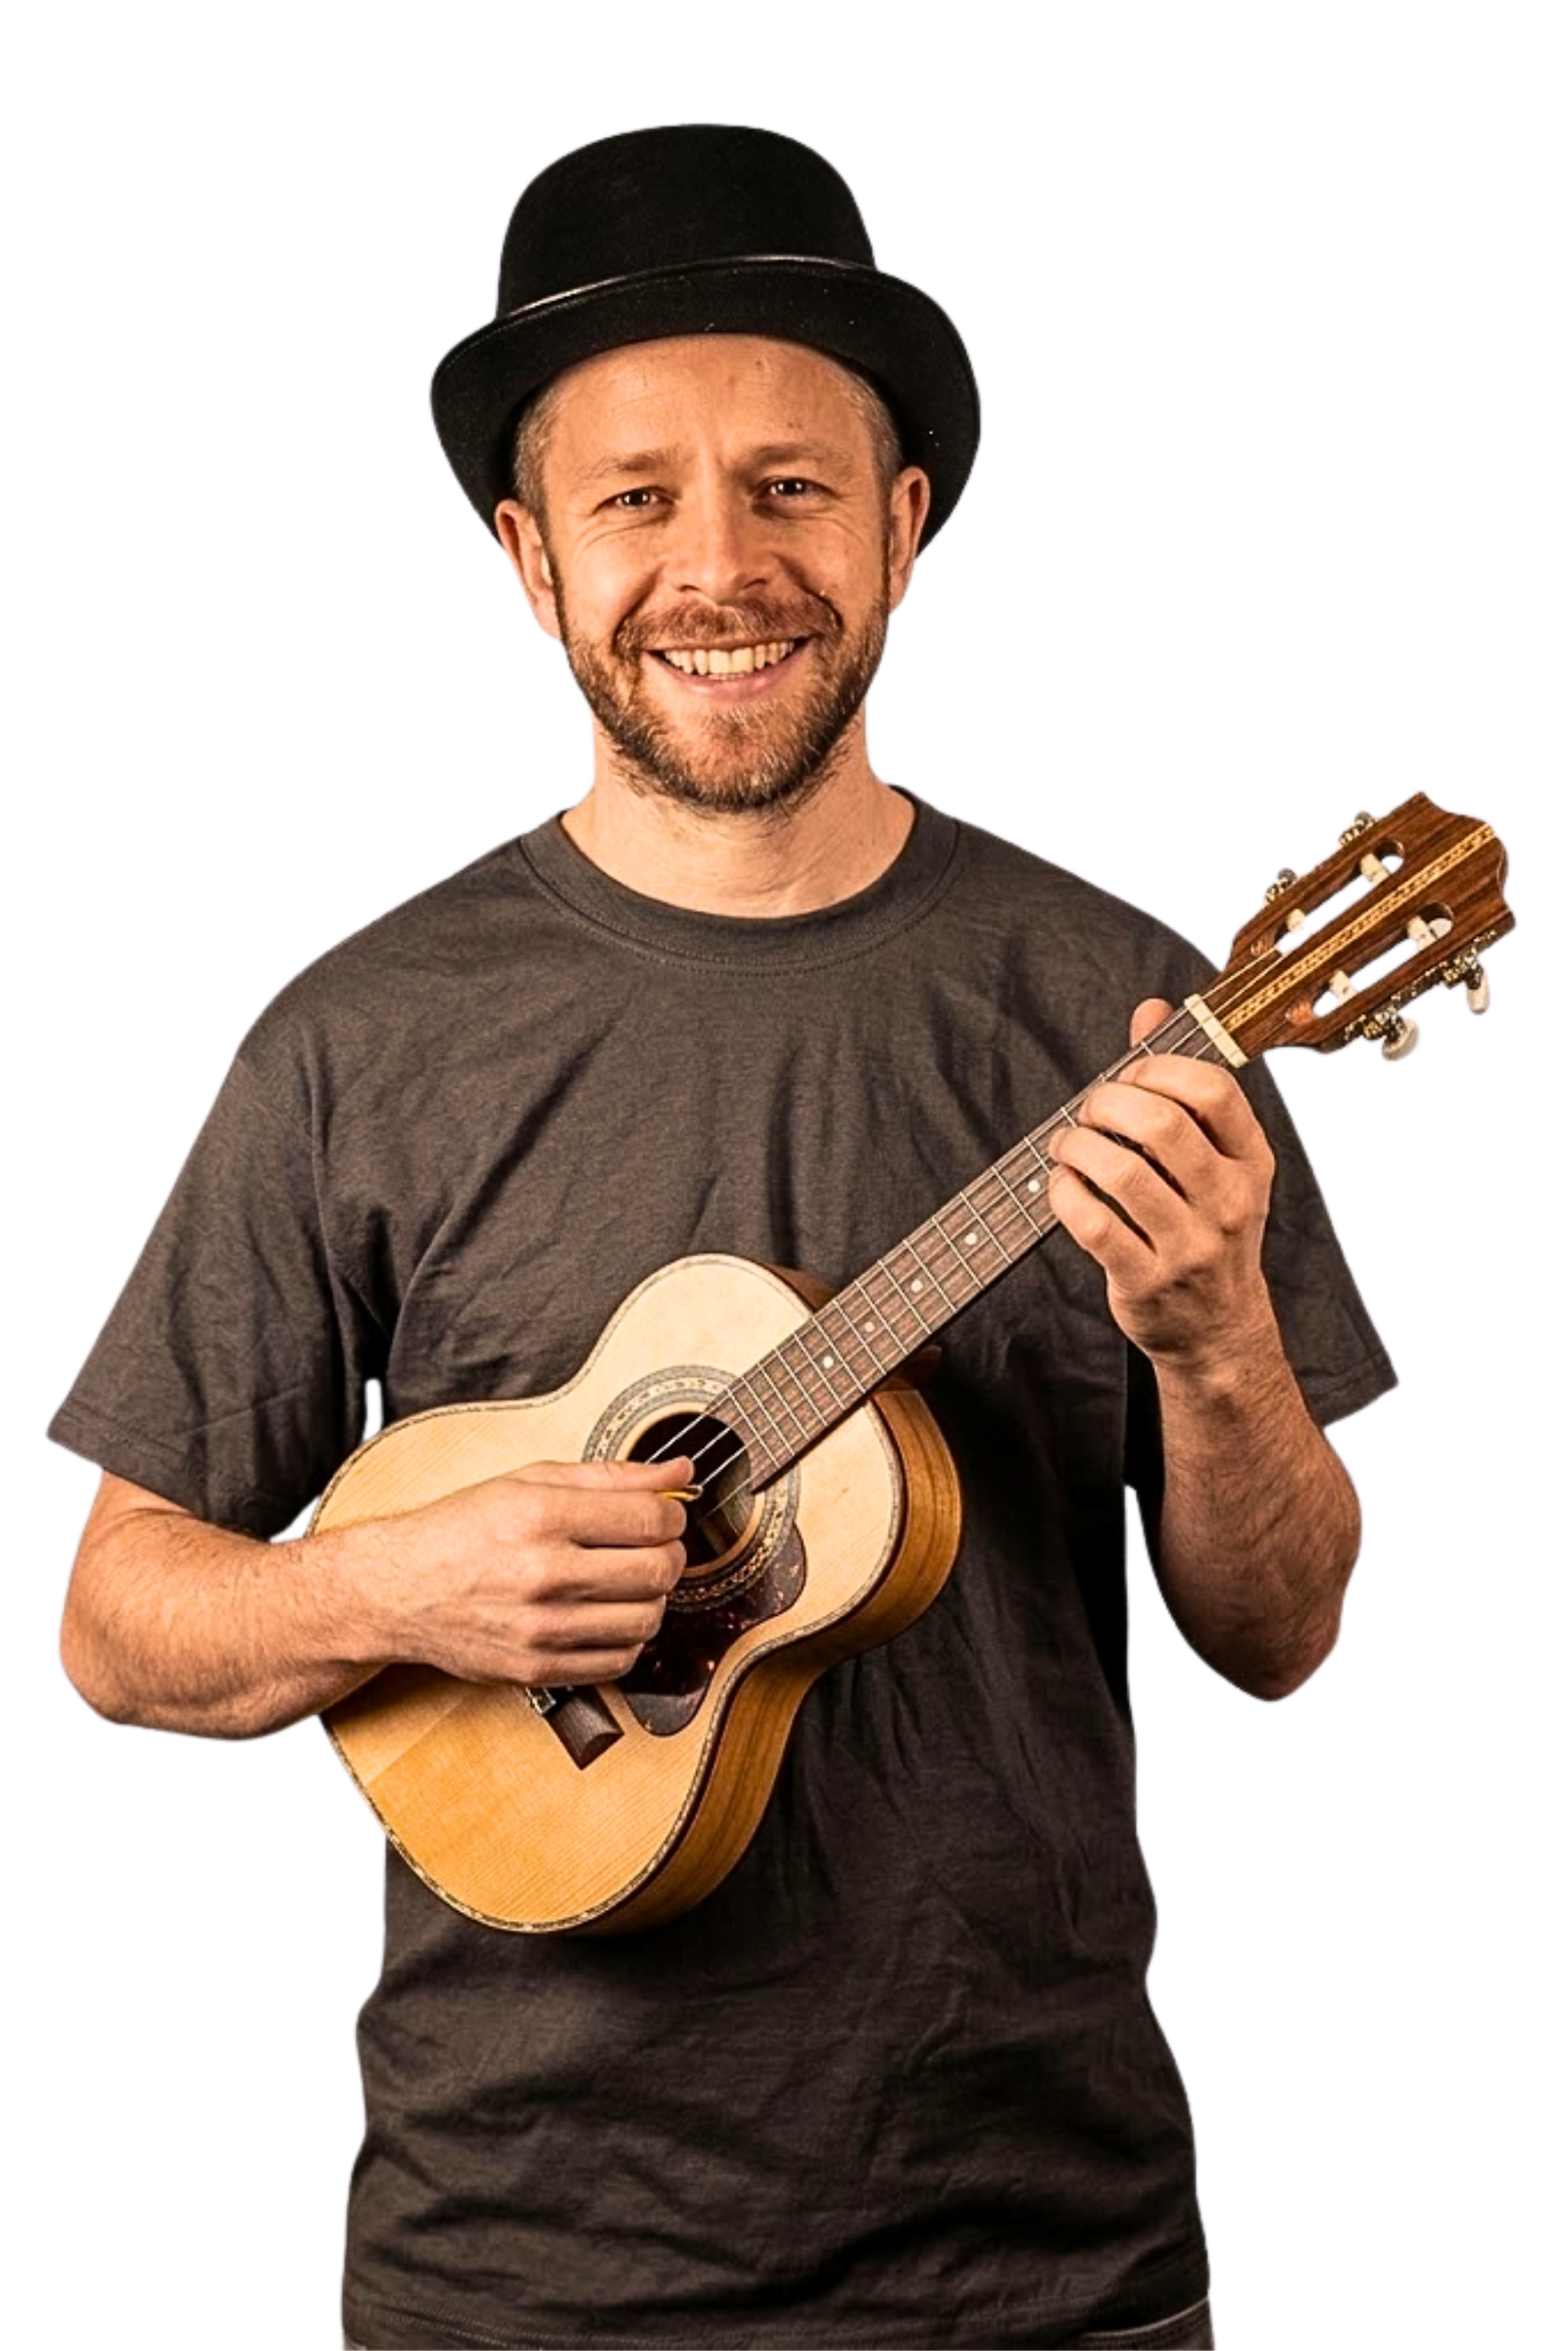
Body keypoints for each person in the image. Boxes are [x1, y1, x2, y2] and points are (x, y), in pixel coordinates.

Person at [49, 125, 1395, 2350]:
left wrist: (1214, 1343)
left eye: (788, 487)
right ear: (531, 561)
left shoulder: (1127, 1006)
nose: (719, 565)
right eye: (635, 498)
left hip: (1046, 2265)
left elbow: (1285, 1637)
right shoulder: (358, 1038)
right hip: (514, 2271)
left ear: (899, 532)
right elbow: (116, 1621)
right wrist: (394, 1585)